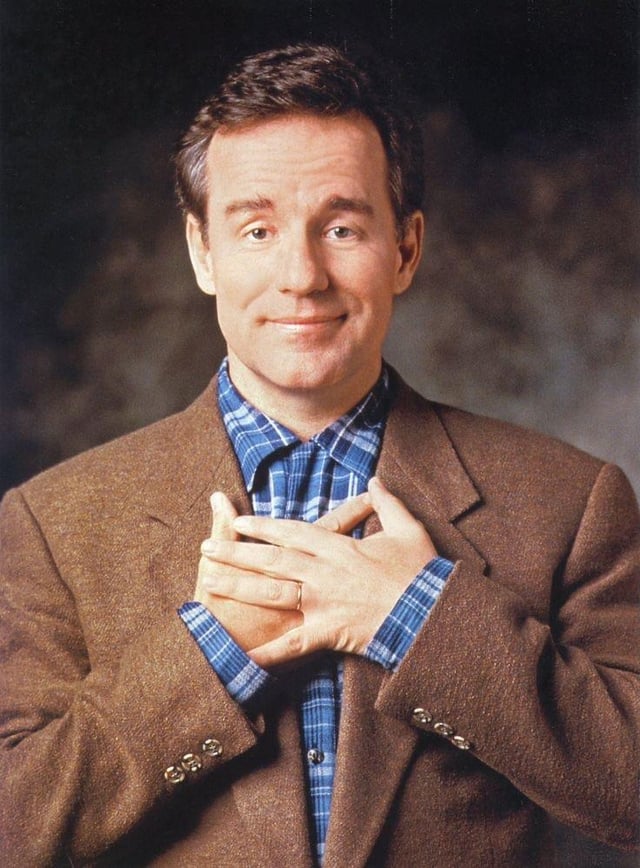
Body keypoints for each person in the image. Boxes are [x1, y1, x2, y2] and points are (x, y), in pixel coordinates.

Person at [0, 42, 638, 867]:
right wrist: (212, 653)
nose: (301, 276)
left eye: (341, 228)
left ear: (404, 249)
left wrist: (416, 618)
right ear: (202, 252)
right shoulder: (50, 523)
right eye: (257, 230)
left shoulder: (572, 501)